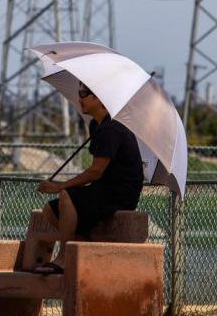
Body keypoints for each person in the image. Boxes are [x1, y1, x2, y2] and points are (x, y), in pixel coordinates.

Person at [34, 82, 144, 275]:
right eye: (79, 93)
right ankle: (82, 248)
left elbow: (95, 172)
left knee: (67, 196)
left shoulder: (112, 129)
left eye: (84, 93)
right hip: (103, 188)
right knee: (50, 210)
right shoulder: (97, 125)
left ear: (100, 98)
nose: (79, 98)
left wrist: (60, 186)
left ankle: (65, 259)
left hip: (120, 193)